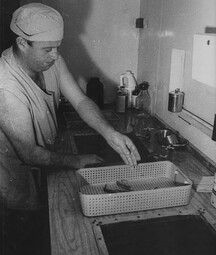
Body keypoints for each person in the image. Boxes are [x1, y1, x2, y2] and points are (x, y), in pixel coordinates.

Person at [0, 2, 141, 211]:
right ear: (22, 43)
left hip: (46, 161)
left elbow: (80, 101)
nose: (56, 55)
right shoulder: (5, 85)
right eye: (48, 49)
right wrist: (76, 161)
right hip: (16, 174)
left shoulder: (50, 60)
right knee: (27, 226)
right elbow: (28, 153)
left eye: (57, 47)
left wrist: (110, 133)